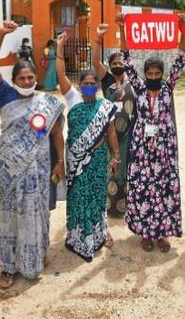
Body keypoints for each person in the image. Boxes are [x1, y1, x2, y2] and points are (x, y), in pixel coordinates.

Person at [0, 21, 66, 288]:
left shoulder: (46, 101)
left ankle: (36, 253)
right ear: (14, 80)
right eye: (22, 78)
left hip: (39, 168)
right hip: (10, 168)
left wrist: (61, 162)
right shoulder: (5, 96)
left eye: (31, 78)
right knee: (10, 214)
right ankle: (8, 266)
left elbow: (56, 134)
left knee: (37, 211)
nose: (28, 81)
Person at [117, 13, 185, 253]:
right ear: (145, 75)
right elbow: (126, 59)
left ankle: (163, 234)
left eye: (158, 74)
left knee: (164, 189)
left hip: (165, 149)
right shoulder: (138, 88)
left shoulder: (168, 87)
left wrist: (182, 30)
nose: (154, 78)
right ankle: (146, 232)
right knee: (144, 188)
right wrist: (121, 28)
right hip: (143, 149)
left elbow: (180, 59)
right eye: (151, 74)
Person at [56, 32, 120, 261]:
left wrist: (116, 156)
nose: (90, 86)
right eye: (86, 84)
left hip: (98, 157)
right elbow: (60, 71)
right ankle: (76, 236)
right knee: (78, 196)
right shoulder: (72, 98)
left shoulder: (105, 105)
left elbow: (111, 131)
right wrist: (60, 48)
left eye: (94, 84)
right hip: (76, 159)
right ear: (80, 85)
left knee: (96, 194)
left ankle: (100, 232)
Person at [93, 23, 136, 218]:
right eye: (114, 63)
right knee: (110, 166)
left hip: (129, 134)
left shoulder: (133, 81)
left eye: (121, 62)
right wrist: (97, 39)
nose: (118, 65)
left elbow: (126, 53)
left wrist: (122, 28)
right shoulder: (107, 80)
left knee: (126, 166)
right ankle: (109, 207)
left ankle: (126, 206)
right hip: (109, 133)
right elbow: (95, 61)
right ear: (110, 66)